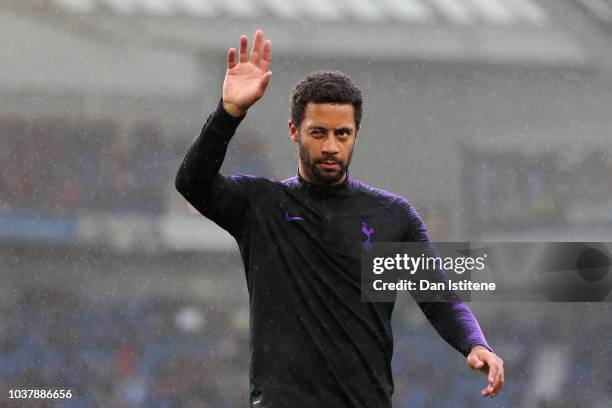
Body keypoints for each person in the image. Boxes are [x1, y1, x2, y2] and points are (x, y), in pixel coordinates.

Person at [175, 29, 504, 407]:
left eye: (342, 133)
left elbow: (439, 298)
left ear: (356, 134)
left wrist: (475, 343)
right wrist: (229, 113)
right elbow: (192, 182)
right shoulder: (260, 206)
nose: (331, 146)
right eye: (318, 133)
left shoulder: (391, 217)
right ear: (294, 131)